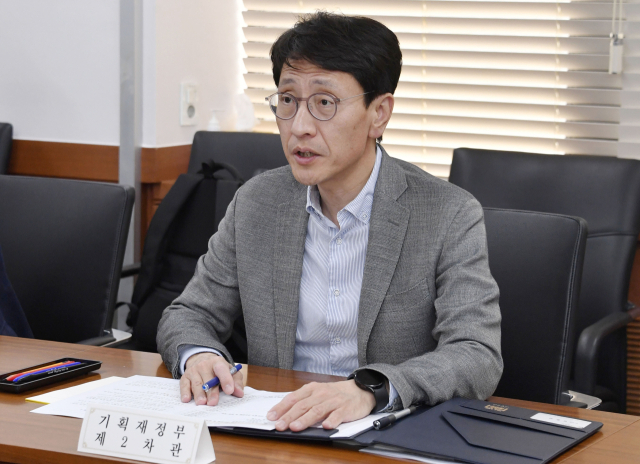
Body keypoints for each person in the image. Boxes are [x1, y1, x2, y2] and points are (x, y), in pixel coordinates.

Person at [157, 11, 502, 432]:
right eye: (288, 100)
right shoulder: (256, 202)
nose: (300, 127)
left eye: (324, 103)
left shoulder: (447, 213)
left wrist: (371, 390)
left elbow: (476, 353)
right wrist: (199, 355)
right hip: (277, 426)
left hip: (388, 433)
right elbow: (188, 313)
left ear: (379, 113)